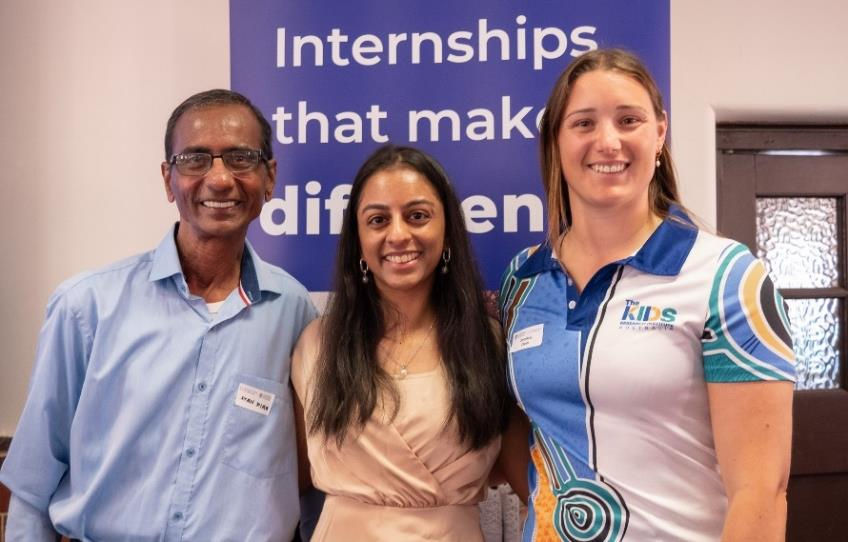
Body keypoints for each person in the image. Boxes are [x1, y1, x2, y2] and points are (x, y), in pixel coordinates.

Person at [498, 49, 796, 541]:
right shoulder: (522, 279)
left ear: (659, 132)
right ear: (556, 141)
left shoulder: (727, 277)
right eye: (584, 123)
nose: (607, 140)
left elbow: (762, 491)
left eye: (628, 119)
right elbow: (522, 438)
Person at [0, 89, 317, 541]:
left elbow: (310, 480)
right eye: (195, 159)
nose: (221, 178)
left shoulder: (294, 314)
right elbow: (32, 488)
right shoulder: (87, 308)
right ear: (168, 180)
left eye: (241, 158)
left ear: (270, 178)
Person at [290, 144, 508, 541]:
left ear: (448, 230)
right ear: (358, 239)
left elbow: (521, 469)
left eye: (418, 216)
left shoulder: (490, 345)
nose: (398, 234)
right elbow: (292, 479)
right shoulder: (316, 346)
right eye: (377, 220)